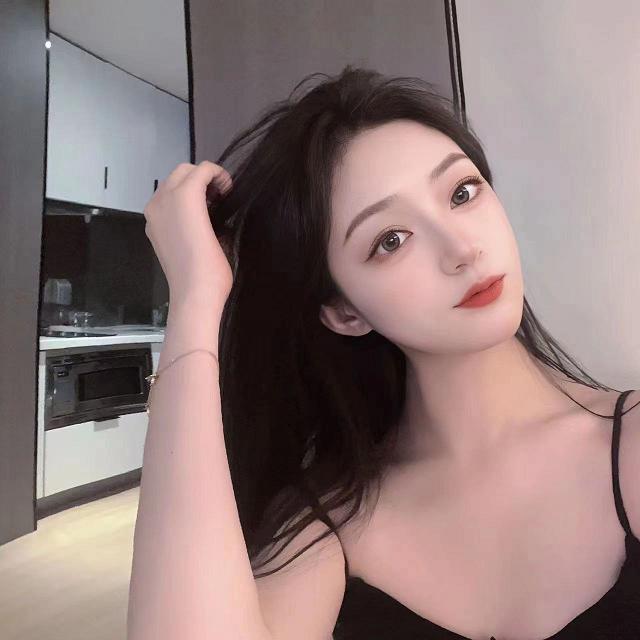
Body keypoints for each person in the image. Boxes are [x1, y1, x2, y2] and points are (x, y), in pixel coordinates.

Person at [126, 66, 640, 640]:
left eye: (462, 193)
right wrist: (195, 299)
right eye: (390, 240)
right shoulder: (328, 526)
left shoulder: (631, 447)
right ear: (345, 312)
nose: (462, 249)